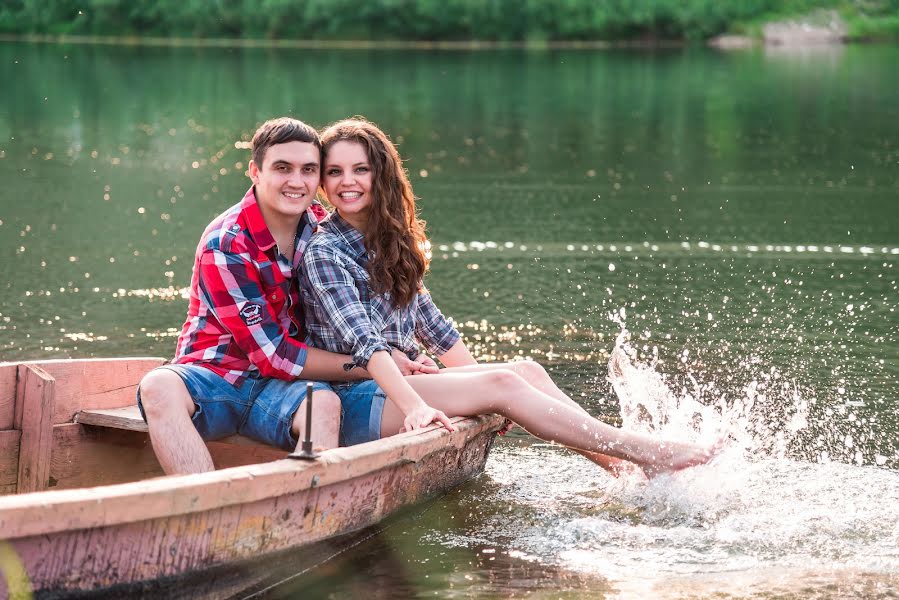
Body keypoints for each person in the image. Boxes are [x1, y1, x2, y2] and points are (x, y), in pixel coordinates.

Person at [300, 117, 720, 477]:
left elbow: (436, 330)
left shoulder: (392, 241)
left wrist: (483, 394)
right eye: (334, 172)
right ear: (322, 182)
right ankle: (643, 450)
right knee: (502, 382)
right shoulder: (325, 251)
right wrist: (478, 393)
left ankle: (621, 467)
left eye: (360, 169)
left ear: (382, 174)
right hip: (359, 398)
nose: (347, 182)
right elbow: (365, 345)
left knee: (526, 371)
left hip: (406, 383)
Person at [137, 117, 436, 475]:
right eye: (283, 168)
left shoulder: (321, 227)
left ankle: (309, 514)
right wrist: (370, 364)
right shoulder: (227, 243)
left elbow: (379, 301)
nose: (297, 181)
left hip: (285, 388)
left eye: (309, 169)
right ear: (255, 171)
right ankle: (204, 506)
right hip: (216, 378)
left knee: (323, 404)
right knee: (157, 386)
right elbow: (273, 355)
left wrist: (406, 357)